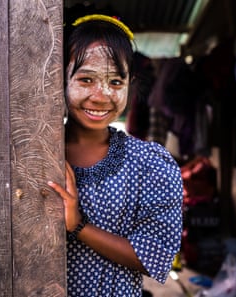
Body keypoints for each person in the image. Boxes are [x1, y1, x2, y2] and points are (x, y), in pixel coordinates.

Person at [47, 13, 183, 297]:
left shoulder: (149, 164)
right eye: (86, 79)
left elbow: (156, 256)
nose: (102, 95)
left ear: (130, 84)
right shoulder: (35, 157)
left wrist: (78, 225)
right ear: (58, 80)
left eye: (116, 82)